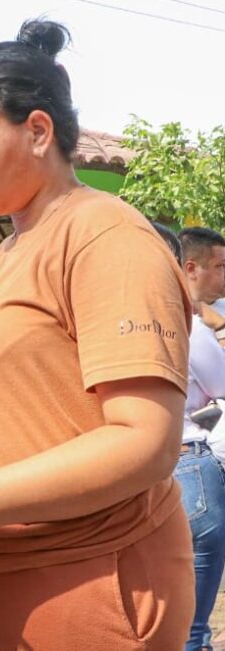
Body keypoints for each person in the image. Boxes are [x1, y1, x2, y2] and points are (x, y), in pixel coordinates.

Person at [0, 20, 195, 650]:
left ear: (39, 131)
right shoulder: (3, 257)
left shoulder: (105, 238)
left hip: (83, 575)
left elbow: (146, 440)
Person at [154, 224, 225, 651]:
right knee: (193, 630)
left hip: (140, 476)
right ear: (188, 267)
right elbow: (223, 384)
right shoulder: (189, 327)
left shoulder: (115, 325)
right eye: (220, 266)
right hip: (192, 467)